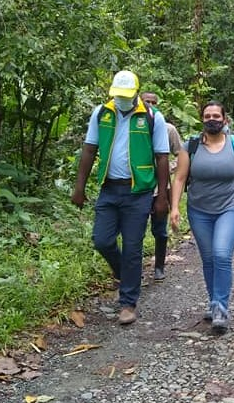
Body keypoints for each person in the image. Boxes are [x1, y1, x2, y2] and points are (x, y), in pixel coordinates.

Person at [72, 71, 170, 325]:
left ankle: (128, 303)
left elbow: (162, 156)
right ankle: (123, 272)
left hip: (139, 192)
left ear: (136, 93)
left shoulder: (152, 117)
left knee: (132, 247)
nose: (121, 100)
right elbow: (90, 148)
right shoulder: (101, 113)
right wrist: (79, 187)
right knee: (101, 240)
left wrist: (162, 196)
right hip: (109, 188)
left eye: (126, 96)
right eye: (118, 96)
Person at [170, 100, 234, 334]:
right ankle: (214, 301)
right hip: (199, 210)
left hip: (229, 207)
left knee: (221, 254)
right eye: (207, 116)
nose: (212, 119)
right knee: (208, 258)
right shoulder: (191, 146)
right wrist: (175, 208)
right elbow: (179, 178)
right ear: (202, 119)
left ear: (224, 120)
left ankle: (220, 307)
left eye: (216, 116)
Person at [141, 91, 183, 282]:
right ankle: (134, 268)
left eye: (153, 102)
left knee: (160, 230)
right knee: (135, 231)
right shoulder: (134, 127)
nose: (150, 104)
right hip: (139, 188)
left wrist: (167, 169)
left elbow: (180, 155)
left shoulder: (168, 129)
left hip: (161, 188)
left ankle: (159, 266)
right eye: (146, 101)